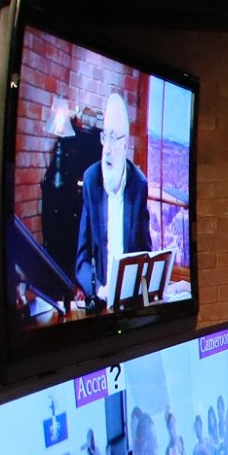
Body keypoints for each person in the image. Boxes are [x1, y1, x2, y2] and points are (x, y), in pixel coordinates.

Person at [72, 93, 152, 303]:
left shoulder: (139, 185)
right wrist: (98, 290)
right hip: (100, 297)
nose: (107, 148)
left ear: (125, 145)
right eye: (104, 136)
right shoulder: (91, 180)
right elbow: (81, 258)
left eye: (113, 137)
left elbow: (146, 252)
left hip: (130, 298)